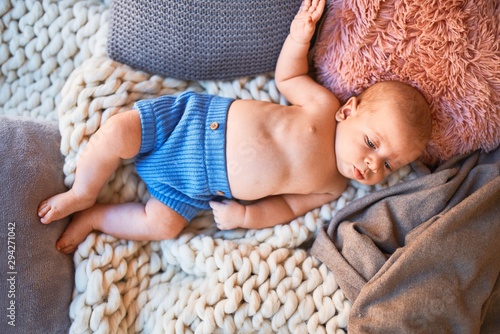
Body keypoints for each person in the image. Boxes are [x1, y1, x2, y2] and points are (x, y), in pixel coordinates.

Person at [38, 0, 432, 254]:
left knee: (162, 225)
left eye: (388, 165)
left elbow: (287, 206)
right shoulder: (322, 107)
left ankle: (95, 218)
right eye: (372, 143)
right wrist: (300, 36)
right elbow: (288, 77)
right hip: (190, 125)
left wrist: (246, 219)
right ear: (349, 111)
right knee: (118, 132)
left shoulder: (334, 186)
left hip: (193, 188)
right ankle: (83, 192)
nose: (372, 164)